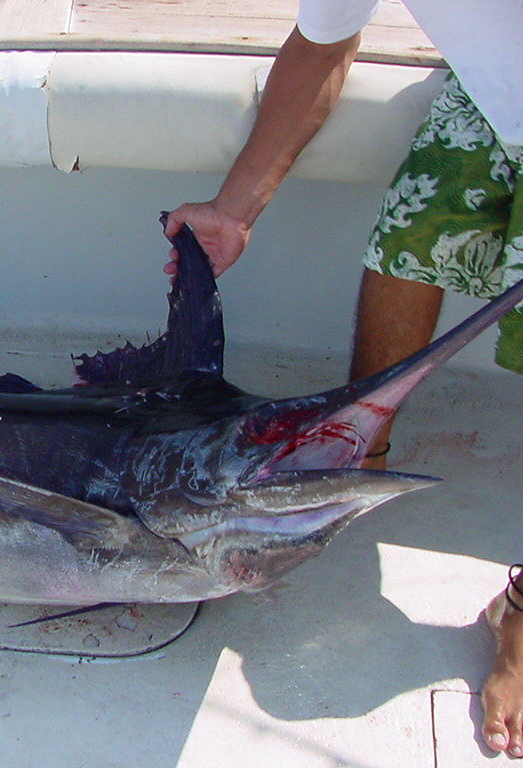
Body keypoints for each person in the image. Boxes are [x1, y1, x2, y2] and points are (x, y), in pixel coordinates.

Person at [162, 0, 523, 757]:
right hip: (497, 93)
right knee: (403, 251)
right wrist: (237, 209)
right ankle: (361, 453)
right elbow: (323, 46)